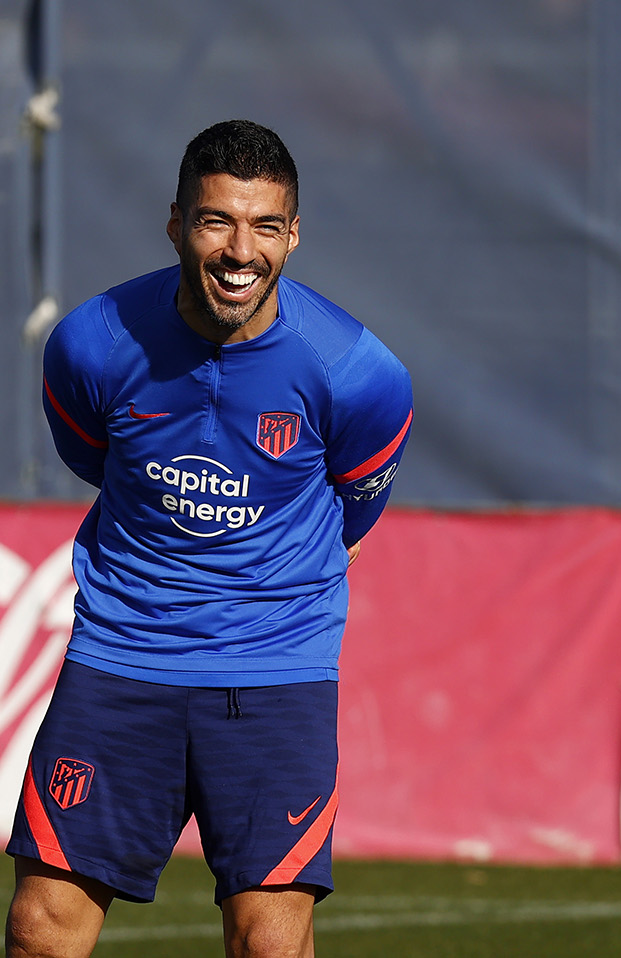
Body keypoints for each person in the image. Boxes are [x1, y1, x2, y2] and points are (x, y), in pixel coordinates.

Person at [6, 120, 413, 958]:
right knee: (41, 926)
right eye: (216, 220)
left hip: (276, 674)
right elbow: (92, 455)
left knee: (269, 940)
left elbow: (355, 510)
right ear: (176, 222)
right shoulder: (93, 342)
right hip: (121, 658)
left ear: (294, 234)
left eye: (266, 226)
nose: (240, 250)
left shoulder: (356, 372)